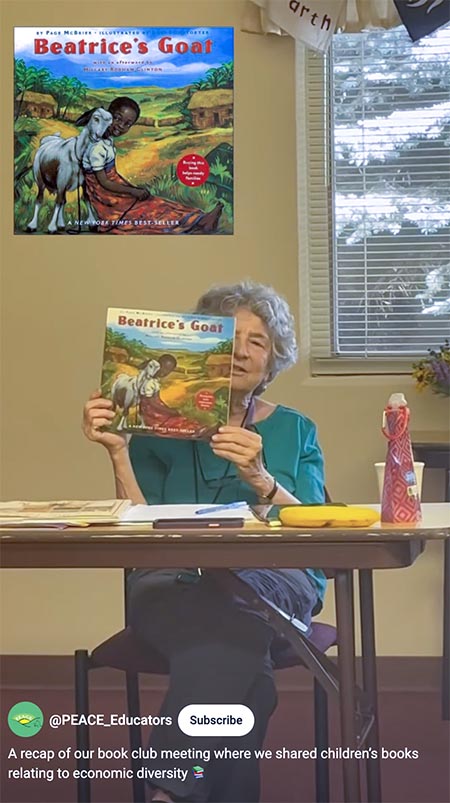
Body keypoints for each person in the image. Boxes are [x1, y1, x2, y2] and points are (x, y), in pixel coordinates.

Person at [82, 280, 326, 803]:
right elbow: (137, 528)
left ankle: (167, 791)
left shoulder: (297, 429)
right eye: (229, 337)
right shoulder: (153, 425)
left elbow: (316, 529)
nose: (241, 350)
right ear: (203, 350)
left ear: (274, 358)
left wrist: (263, 479)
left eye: (257, 342)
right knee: (249, 679)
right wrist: (119, 453)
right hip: (173, 582)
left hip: (272, 579)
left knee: (234, 619)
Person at [79, 96, 223, 235]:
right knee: (141, 210)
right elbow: (104, 182)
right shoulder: (97, 148)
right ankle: (194, 222)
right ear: (107, 115)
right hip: (105, 197)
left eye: (127, 124)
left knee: (153, 202)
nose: (121, 126)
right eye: (117, 118)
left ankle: (197, 219)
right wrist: (132, 191)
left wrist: (130, 189)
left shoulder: (106, 141)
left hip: (114, 187)